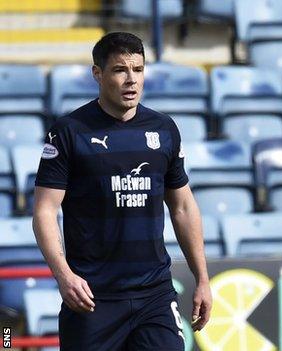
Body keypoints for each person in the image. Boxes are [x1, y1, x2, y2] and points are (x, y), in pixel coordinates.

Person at [32, 32, 212, 350]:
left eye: (138, 70)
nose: (131, 80)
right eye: (119, 70)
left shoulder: (164, 130)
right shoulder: (69, 132)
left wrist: (202, 278)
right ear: (97, 74)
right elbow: (45, 211)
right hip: (93, 298)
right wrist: (63, 275)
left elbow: (183, 206)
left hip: (154, 295)